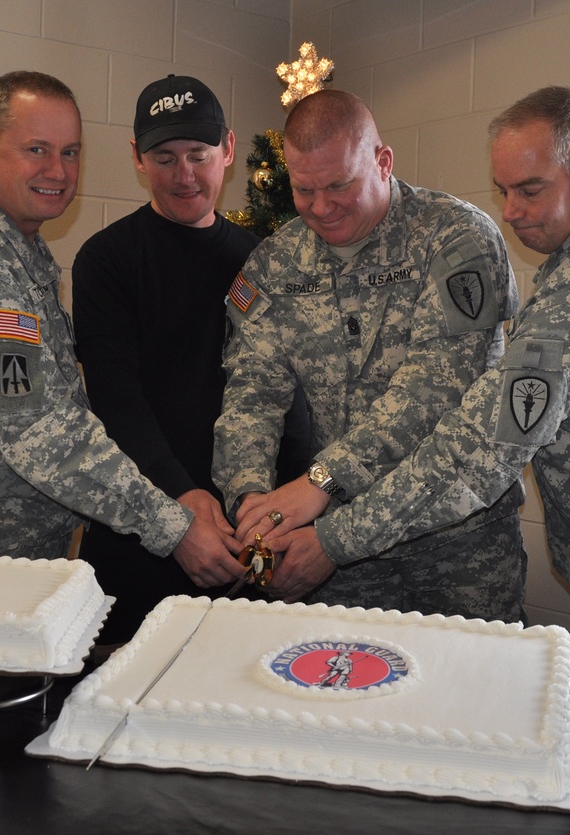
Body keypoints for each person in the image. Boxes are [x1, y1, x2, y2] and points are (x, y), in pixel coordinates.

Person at [264, 86, 570, 619]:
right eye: (503, 190)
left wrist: (333, 539)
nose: (510, 212)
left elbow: (477, 453)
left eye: (530, 191)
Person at [0, 71, 247, 596]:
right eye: (36, 149)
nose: (57, 171)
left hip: (19, 559)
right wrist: (173, 527)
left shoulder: (19, 248)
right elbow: (41, 433)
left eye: (70, 152)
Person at [213, 89, 526, 621]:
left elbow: (431, 391)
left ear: (383, 162)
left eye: (340, 184)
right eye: (303, 188)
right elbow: (251, 396)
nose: (321, 206)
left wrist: (322, 480)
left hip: (457, 545)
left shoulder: (453, 239)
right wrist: (250, 503)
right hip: (341, 561)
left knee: (469, 696)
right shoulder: (275, 264)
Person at [70, 74, 310, 644]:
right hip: (144, 532)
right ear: (137, 158)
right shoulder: (106, 260)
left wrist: (286, 509)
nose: (184, 175)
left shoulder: (259, 261)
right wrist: (182, 499)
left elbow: (288, 394)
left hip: (247, 534)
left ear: (228, 150)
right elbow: (115, 397)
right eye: (165, 157)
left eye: (199, 156)